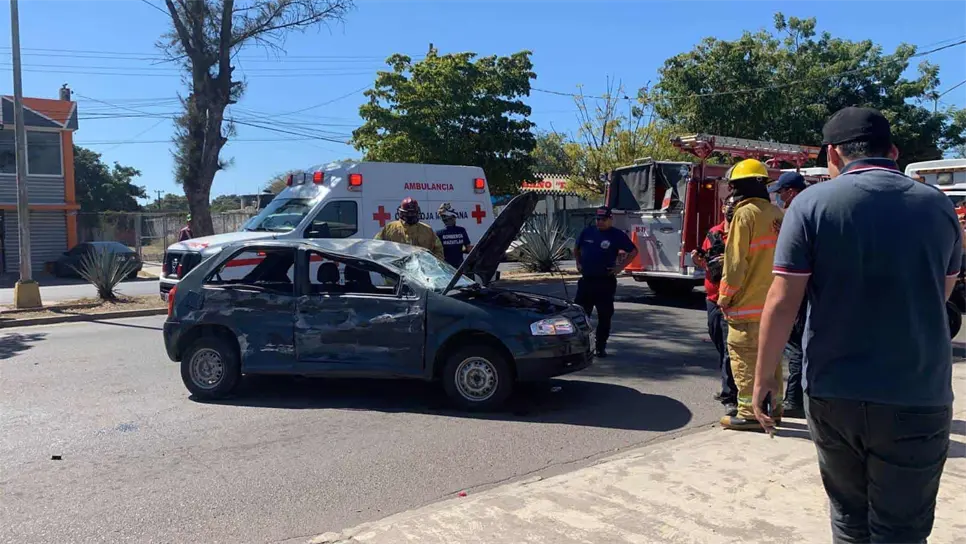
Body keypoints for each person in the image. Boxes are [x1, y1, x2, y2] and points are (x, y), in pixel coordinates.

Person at [753, 107, 961, 542]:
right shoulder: (938, 206)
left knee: (849, 517)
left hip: (834, 392)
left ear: (834, 154)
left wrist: (764, 377)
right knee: (902, 528)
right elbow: (940, 293)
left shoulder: (809, 204)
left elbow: (782, 299)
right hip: (916, 392)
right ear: (894, 151)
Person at [715, 158, 785, 431]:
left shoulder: (745, 215)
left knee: (744, 356)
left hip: (747, 306)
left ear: (737, 187)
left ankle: (748, 412)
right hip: (776, 304)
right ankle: (774, 409)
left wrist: (725, 297)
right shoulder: (778, 213)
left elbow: (734, 265)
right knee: (773, 356)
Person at [767, 172, 810, 419]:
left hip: (798, 290)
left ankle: (794, 401)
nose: (778, 198)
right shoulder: (815, 208)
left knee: (795, 346)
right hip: (812, 289)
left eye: (780, 193)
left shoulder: (796, 214)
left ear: (791, 192)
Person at [691, 197, 738, 416]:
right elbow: (706, 261)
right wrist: (699, 260)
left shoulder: (742, 231)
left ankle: (731, 396)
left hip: (733, 298)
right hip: (712, 297)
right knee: (719, 342)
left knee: (730, 349)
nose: (731, 208)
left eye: (735, 204)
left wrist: (726, 259)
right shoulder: (714, 232)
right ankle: (729, 383)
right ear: (722, 208)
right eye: (729, 204)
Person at [574, 207, 639, 357]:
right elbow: (576, 248)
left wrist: (620, 267)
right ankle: (582, 347)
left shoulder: (616, 235)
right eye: (598, 219)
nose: (600, 222)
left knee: (604, 316)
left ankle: (600, 346)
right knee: (581, 316)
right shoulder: (587, 232)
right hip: (587, 281)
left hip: (605, 281)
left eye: (603, 219)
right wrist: (578, 263)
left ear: (610, 219)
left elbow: (633, 251)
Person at [375, 197, 444, 260]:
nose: (411, 215)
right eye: (408, 213)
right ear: (401, 213)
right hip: (395, 271)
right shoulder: (390, 228)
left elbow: (438, 250)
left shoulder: (427, 230)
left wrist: (432, 265)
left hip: (422, 272)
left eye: (413, 213)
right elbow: (376, 247)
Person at [435, 203, 473, 269]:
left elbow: (436, 251)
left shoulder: (439, 233)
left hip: (445, 268)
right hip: (459, 268)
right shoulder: (461, 230)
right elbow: (469, 249)